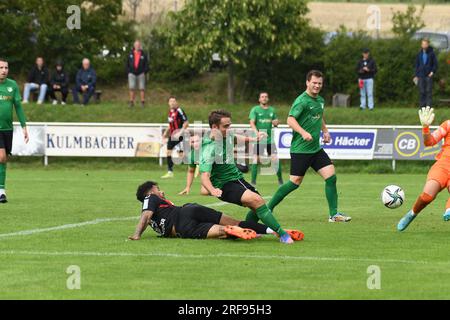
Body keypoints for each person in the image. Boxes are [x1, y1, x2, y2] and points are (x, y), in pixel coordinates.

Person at [200, 109, 303, 244]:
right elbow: (204, 176)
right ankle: (281, 234)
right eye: (226, 126)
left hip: (237, 179)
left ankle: (249, 231)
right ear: (214, 127)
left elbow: (237, 138)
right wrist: (213, 190)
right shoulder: (209, 149)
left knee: (258, 207)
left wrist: (254, 138)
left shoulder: (227, 135)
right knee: (256, 201)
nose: (229, 128)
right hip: (224, 185)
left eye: (229, 125)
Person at [264, 70, 351, 223]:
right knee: (294, 182)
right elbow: (290, 120)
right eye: (314, 83)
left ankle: (334, 214)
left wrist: (325, 131)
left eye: (320, 83)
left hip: (315, 149)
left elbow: (319, 116)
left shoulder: (320, 101)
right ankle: (268, 208)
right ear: (307, 83)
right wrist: (303, 132)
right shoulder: (302, 101)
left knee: (331, 177)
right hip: (301, 149)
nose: (317, 86)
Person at [128, 181, 289, 241]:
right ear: (149, 193)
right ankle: (274, 230)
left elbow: (147, 216)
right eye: (158, 189)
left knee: (221, 231)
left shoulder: (156, 202)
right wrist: (138, 232)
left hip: (183, 225)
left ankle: (231, 232)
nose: (161, 192)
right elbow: (146, 216)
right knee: (235, 222)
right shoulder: (150, 199)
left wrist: (137, 235)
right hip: (190, 210)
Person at [398, 107, 450, 231]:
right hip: (443, 166)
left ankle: (448, 210)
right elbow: (429, 142)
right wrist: (425, 127)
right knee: (427, 196)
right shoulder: (448, 124)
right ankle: (412, 214)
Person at [0, 57, 29, 203]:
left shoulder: (12, 85)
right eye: (1, 68)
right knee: (2, 157)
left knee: (3, 160)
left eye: (5, 68)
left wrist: (24, 126)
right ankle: (1, 192)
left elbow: (18, 106)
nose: (4, 70)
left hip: (7, 129)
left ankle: (1, 190)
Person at [249, 92, 283, 186]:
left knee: (275, 159)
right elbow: (252, 122)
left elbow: (275, 123)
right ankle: (253, 182)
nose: (264, 98)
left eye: (266, 97)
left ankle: (280, 181)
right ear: (259, 99)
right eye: (262, 97)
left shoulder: (272, 110)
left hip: (269, 140)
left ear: (268, 99)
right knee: (255, 159)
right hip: (259, 139)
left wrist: (276, 123)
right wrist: (257, 134)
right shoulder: (255, 109)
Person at [161, 97, 189, 179]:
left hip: (180, 135)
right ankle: (170, 172)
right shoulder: (170, 112)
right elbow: (170, 124)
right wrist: (165, 132)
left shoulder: (179, 110)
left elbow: (186, 122)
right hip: (172, 135)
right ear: (168, 103)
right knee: (168, 152)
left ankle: (194, 168)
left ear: (176, 102)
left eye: (174, 101)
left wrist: (180, 132)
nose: (172, 102)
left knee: (182, 155)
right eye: (170, 101)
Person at [414, 38, 438, 108]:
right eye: (423, 44)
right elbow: (417, 65)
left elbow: (435, 64)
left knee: (428, 92)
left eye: (425, 44)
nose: (424, 45)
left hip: (428, 76)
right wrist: (416, 75)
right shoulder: (419, 54)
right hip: (420, 75)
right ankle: (422, 107)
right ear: (421, 45)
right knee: (422, 92)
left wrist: (432, 72)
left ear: (428, 45)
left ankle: (428, 107)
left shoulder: (432, 53)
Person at [126, 40, 149, 108]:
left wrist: (144, 71)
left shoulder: (143, 54)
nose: (137, 46)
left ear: (140, 46)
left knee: (142, 88)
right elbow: (126, 64)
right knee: (131, 88)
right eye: (136, 45)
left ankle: (142, 102)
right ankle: (131, 102)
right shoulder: (130, 54)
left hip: (141, 73)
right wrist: (128, 71)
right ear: (134, 46)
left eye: (138, 45)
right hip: (132, 73)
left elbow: (146, 64)